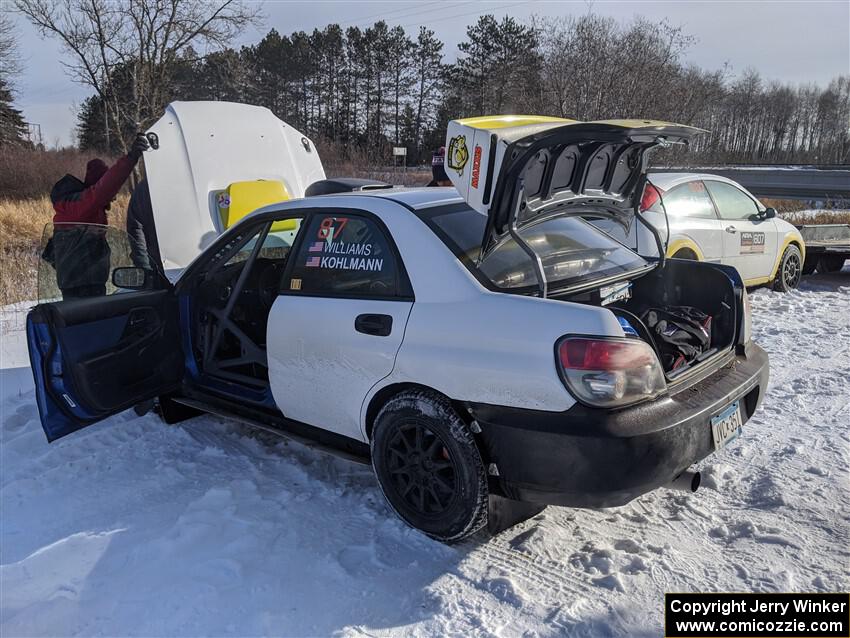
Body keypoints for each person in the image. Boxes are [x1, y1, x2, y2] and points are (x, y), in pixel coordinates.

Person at [49, 133, 149, 299]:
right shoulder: (82, 206)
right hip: (80, 288)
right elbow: (106, 187)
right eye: (112, 193)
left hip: (87, 282)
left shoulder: (81, 207)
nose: (114, 197)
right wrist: (132, 158)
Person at [126, 178, 161, 273]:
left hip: (158, 265)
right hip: (158, 266)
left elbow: (136, 230)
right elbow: (136, 230)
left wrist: (144, 268)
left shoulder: (143, 189)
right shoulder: (144, 190)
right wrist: (145, 268)